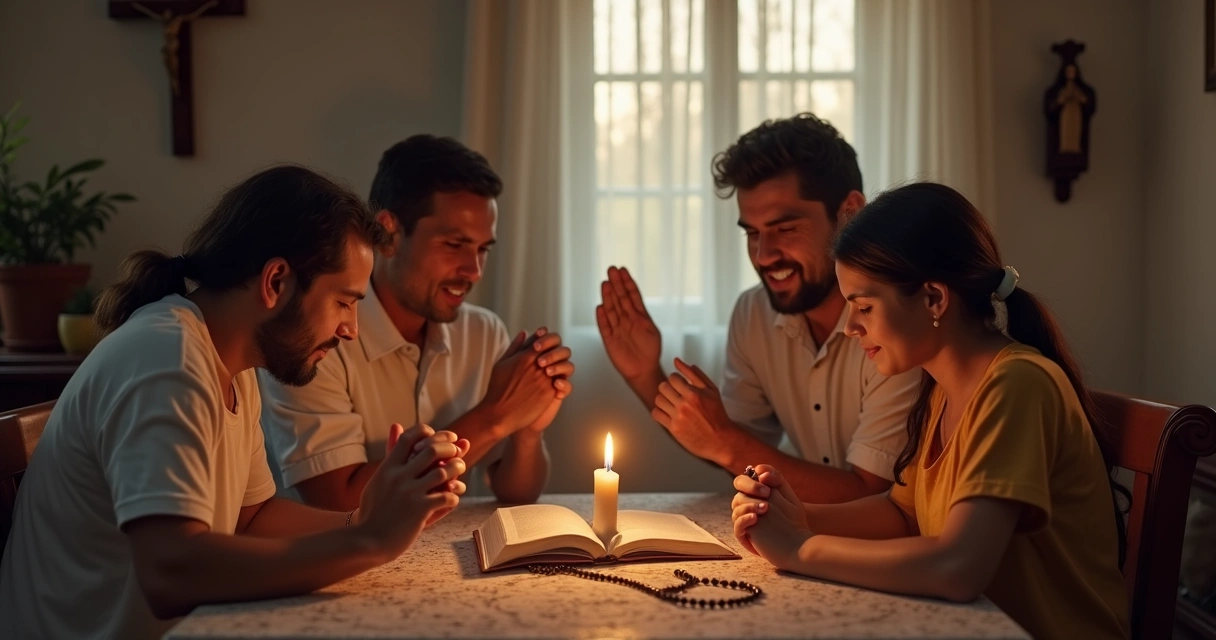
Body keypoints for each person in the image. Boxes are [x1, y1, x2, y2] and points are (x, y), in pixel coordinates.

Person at [0, 166, 470, 639]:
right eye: (344, 302)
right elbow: (170, 573)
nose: (350, 328)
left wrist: (365, 515)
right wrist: (370, 540)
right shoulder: (167, 358)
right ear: (276, 281)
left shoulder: (232, 366)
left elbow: (251, 519)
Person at [731, 182, 1130, 640]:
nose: (850, 328)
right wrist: (797, 515)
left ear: (934, 299)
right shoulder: (943, 389)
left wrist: (799, 548)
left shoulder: (1016, 385)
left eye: (863, 306)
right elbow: (904, 515)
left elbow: (957, 568)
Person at [597, 113, 920, 502]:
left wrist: (726, 442)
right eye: (752, 233)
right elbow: (724, 445)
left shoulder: (899, 318)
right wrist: (646, 376)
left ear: (850, 211)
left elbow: (871, 494)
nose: (764, 256)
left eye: (785, 229)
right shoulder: (754, 314)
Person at [259, 135, 572, 509]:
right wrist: (495, 415)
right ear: (388, 233)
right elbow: (339, 502)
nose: (473, 271)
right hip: (341, 562)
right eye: (454, 245)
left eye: (483, 249)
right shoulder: (317, 336)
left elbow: (516, 493)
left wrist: (527, 429)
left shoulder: (484, 332)